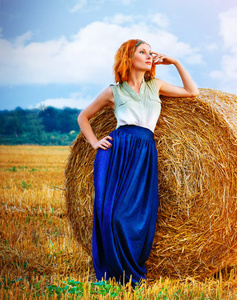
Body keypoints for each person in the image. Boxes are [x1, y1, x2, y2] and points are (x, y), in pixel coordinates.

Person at [77, 39, 199, 286]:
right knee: (112, 215)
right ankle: (114, 271)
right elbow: (84, 116)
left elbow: (192, 92)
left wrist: (175, 62)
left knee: (139, 215)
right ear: (128, 58)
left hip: (144, 152)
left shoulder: (156, 86)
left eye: (150, 52)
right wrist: (93, 142)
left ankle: (130, 269)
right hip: (119, 152)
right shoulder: (114, 91)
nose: (148, 55)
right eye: (142, 51)